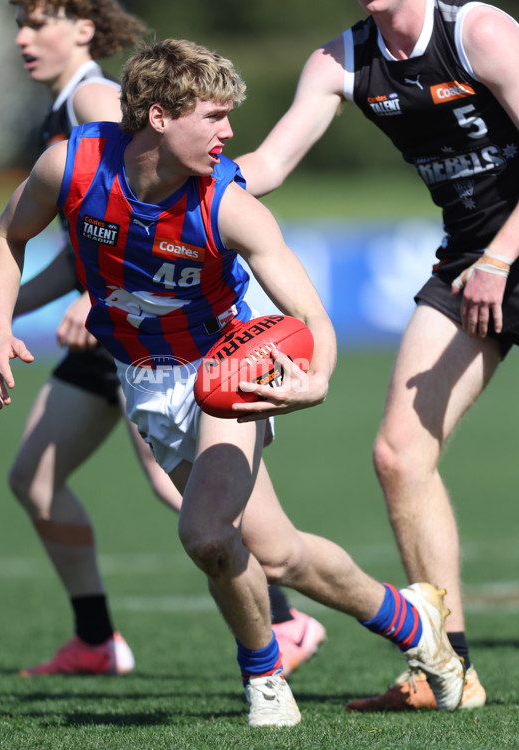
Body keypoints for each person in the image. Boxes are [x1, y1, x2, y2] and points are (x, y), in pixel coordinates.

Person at [0, 37, 465, 727]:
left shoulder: (228, 204)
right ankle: (413, 621)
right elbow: (7, 235)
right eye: (213, 117)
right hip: (141, 377)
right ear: (157, 117)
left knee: (206, 534)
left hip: (225, 369)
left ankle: (264, 677)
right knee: (278, 553)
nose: (229, 133)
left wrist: (317, 379)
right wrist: (1, 323)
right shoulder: (73, 164)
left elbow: (309, 315)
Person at [0, 0, 325, 677]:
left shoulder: (92, 98)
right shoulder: (62, 115)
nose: (23, 37)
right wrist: (8, 311)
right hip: (115, 326)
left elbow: (137, 220)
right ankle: (99, 638)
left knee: (197, 506)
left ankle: (283, 626)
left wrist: (88, 294)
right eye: (20, 23)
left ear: (83, 29)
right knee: (40, 481)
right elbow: (67, 233)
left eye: (38, 23)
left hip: (153, 323)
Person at [235, 0, 519, 711]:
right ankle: (446, 670)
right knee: (400, 455)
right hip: (469, 265)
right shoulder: (341, 61)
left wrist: (501, 255)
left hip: (497, 255)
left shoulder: (480, 33)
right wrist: (164, 181)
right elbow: (268, 164)